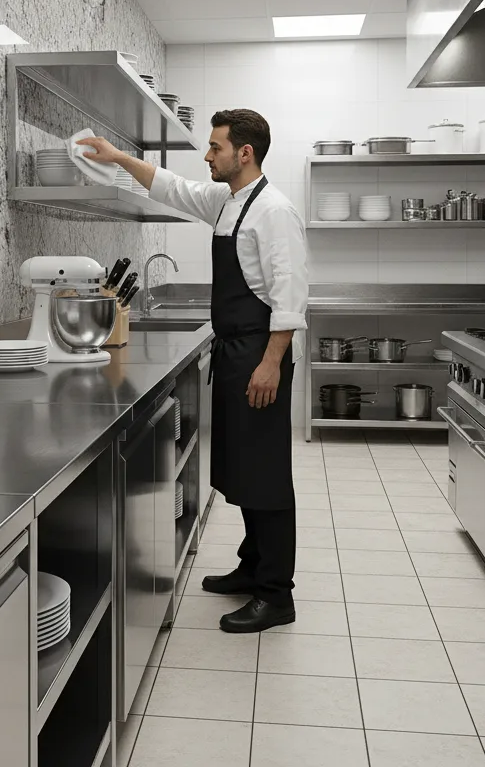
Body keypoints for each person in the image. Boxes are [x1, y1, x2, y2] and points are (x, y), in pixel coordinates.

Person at [82, 109, 308, 633]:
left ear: (244, 153)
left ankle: (277, 594)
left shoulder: (273, 210)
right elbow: (171, 188)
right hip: (235, 353)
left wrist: (270, 364)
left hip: (259, 355)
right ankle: (253, 567)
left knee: (267, 476)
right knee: (244, 468)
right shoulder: (228, 202)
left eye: (215, 147)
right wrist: (117, 159)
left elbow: (290, 297)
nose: (207, 156)